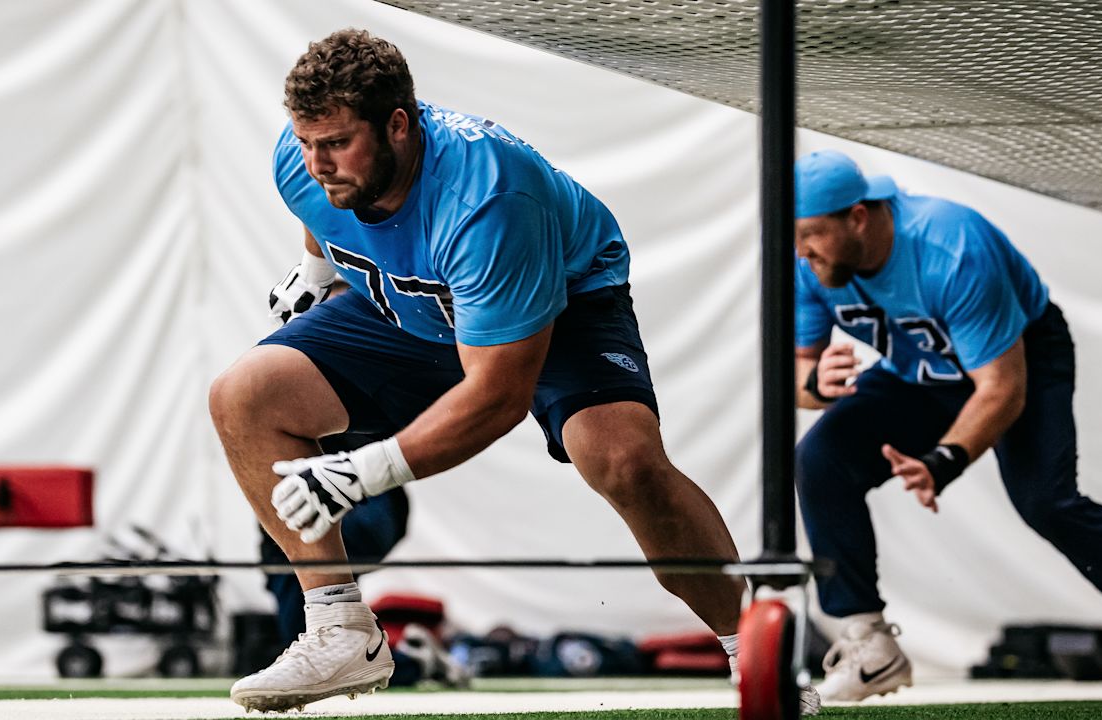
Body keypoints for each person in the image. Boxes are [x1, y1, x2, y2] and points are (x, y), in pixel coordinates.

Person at [207, 28, 821, 714]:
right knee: (245, 395)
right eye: (306, 142)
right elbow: (323, 214)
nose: (317, 163)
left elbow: (497, 397)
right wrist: (317, 270)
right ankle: (340, 630)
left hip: (556, 295)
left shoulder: (489, 201)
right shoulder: (304, 161)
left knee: (623, 461)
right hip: (413, 297)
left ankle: (757, 653)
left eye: (337, 144)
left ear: (399, 126)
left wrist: (362, 473)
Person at [791, 149, 1102, 704]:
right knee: (821, 458)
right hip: (919, 365)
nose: (800, 249)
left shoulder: (948, 244)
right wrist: (815, 383)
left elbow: (1002, 388)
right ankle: (870, 646)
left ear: (857, 217)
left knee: (1046, 503)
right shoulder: (811, 264)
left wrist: (944, 459)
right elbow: (797, 370)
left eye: (810, 234)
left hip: (1020, 356)